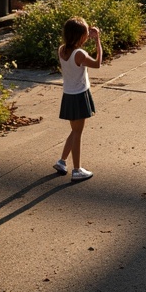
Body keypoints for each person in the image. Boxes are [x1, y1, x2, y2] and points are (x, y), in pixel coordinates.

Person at [54, 16, 102, 181]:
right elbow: (97, 64)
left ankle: (62, 161)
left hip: (68, 95)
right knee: (77, 133)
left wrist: (90, 35)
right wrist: (98, 41)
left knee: (74, 130)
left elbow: (76, 52)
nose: (88, 34)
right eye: (86, 32)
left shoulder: (62, 49)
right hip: (80, 95)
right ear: (80, 36)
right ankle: (77, 170)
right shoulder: (80, 53)